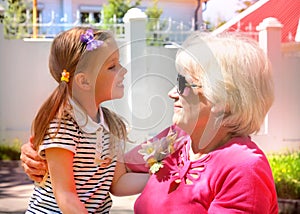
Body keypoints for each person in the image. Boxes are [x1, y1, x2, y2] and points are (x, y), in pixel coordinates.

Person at [21, 32, 278, 213]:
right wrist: (41, 157)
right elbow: (116, 173)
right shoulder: (175, 139)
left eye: (182, 83)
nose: (171, 93)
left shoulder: (244, 169)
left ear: (222, 99)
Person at [24, 26, 149, 214]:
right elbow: (66, 196)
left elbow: (118, 183)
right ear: (84, 81)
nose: (123, 70)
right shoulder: (63, 126)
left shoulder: (111, 125)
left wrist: (160, 178)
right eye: (112, 66)